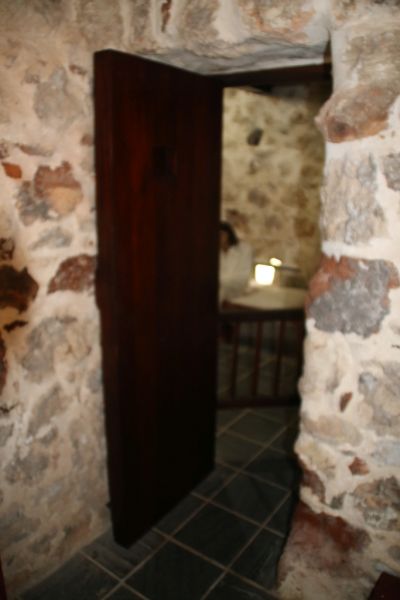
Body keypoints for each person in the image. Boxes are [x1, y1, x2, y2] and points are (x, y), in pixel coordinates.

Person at [219, 221, 253, 304]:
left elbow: (243, 275)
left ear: (228, 234)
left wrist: (223, 282)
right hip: (221, 285)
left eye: (221, 234)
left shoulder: (244, 250)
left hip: (237, 286)